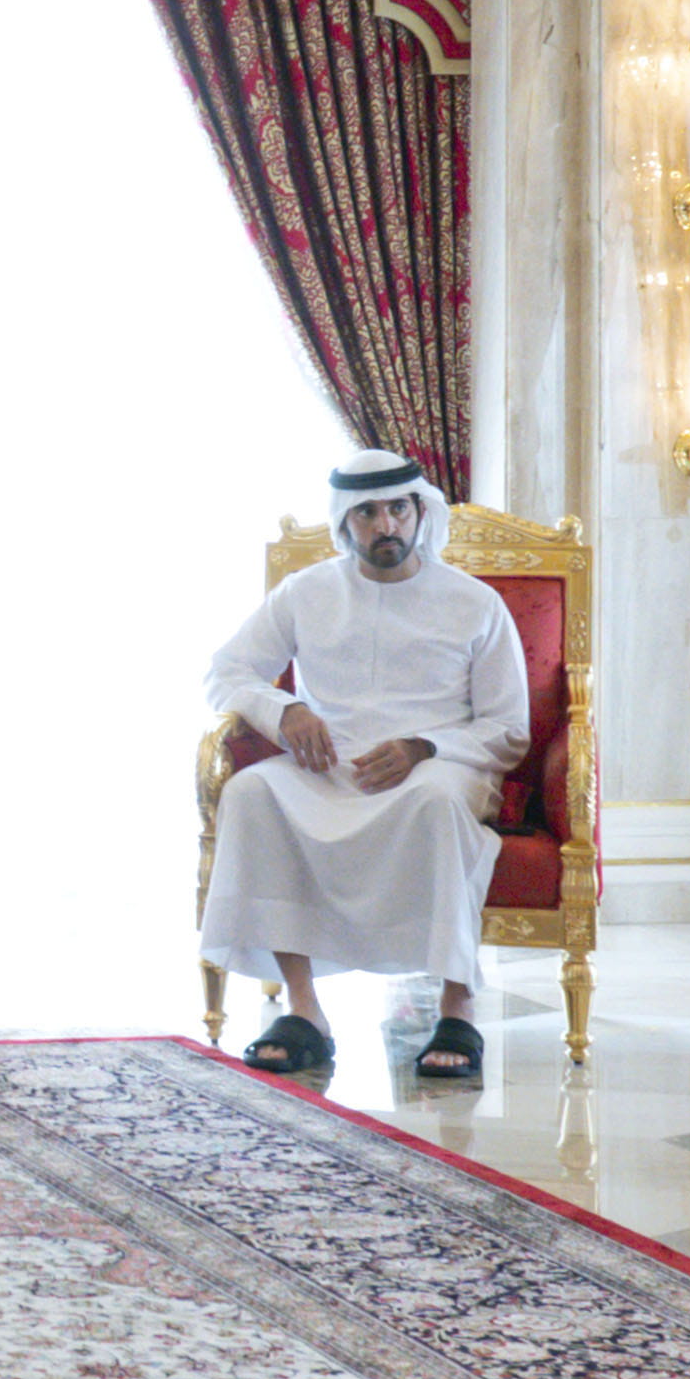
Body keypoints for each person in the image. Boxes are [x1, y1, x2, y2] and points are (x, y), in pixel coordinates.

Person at [198, 448, 527, 1087]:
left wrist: (423, 747)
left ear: (420, 512)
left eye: (398, 509)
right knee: (252, 792)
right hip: (332, 766)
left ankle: (456, 1009)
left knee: (434, 800)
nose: (386, 526)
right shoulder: (307, 592)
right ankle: (304, 1011)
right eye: (368, 513)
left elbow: (509, 729)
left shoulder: (475, 602)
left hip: (442, 765)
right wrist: (285, 710)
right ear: (345, 522)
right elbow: (225, 672)